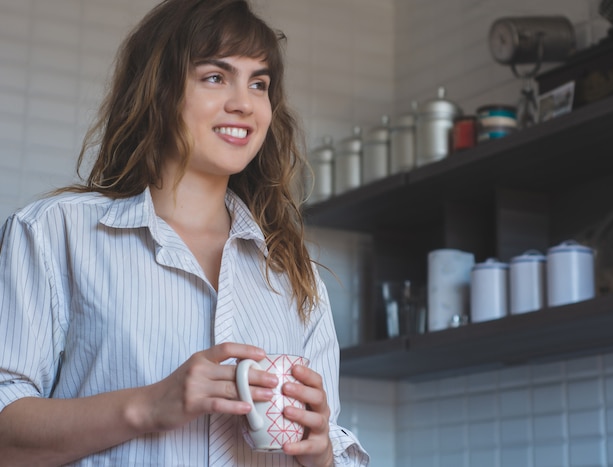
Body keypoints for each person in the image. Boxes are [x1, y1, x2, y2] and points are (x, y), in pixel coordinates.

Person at [0, 0, 369, 465]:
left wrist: (321, 455)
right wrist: (149, 406)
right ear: (158, 90)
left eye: (259, 84)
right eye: (215, 77)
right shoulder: (55, 233)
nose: (244, 103)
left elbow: (328, 437)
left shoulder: (296, 276)